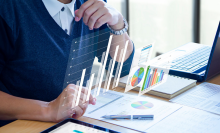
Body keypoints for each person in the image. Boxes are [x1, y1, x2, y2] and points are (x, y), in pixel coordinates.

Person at [0, 0, 134, 127]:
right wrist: (49, 109)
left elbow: (122, 68)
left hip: (73, 122)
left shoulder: (90, 5)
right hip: (21, 127)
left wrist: (117, 22)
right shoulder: (8, 9)